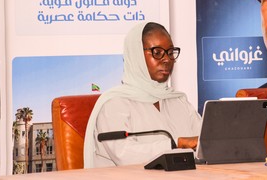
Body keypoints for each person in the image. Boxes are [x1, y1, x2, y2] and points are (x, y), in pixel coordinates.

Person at [84, 22, 202, 168]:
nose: (167, 59)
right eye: (157, 52)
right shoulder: (114, 103)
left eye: (170, 52)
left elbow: (205, 142)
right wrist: (176, 144)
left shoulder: (178, 101)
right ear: (137, 55)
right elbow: (125, 155)